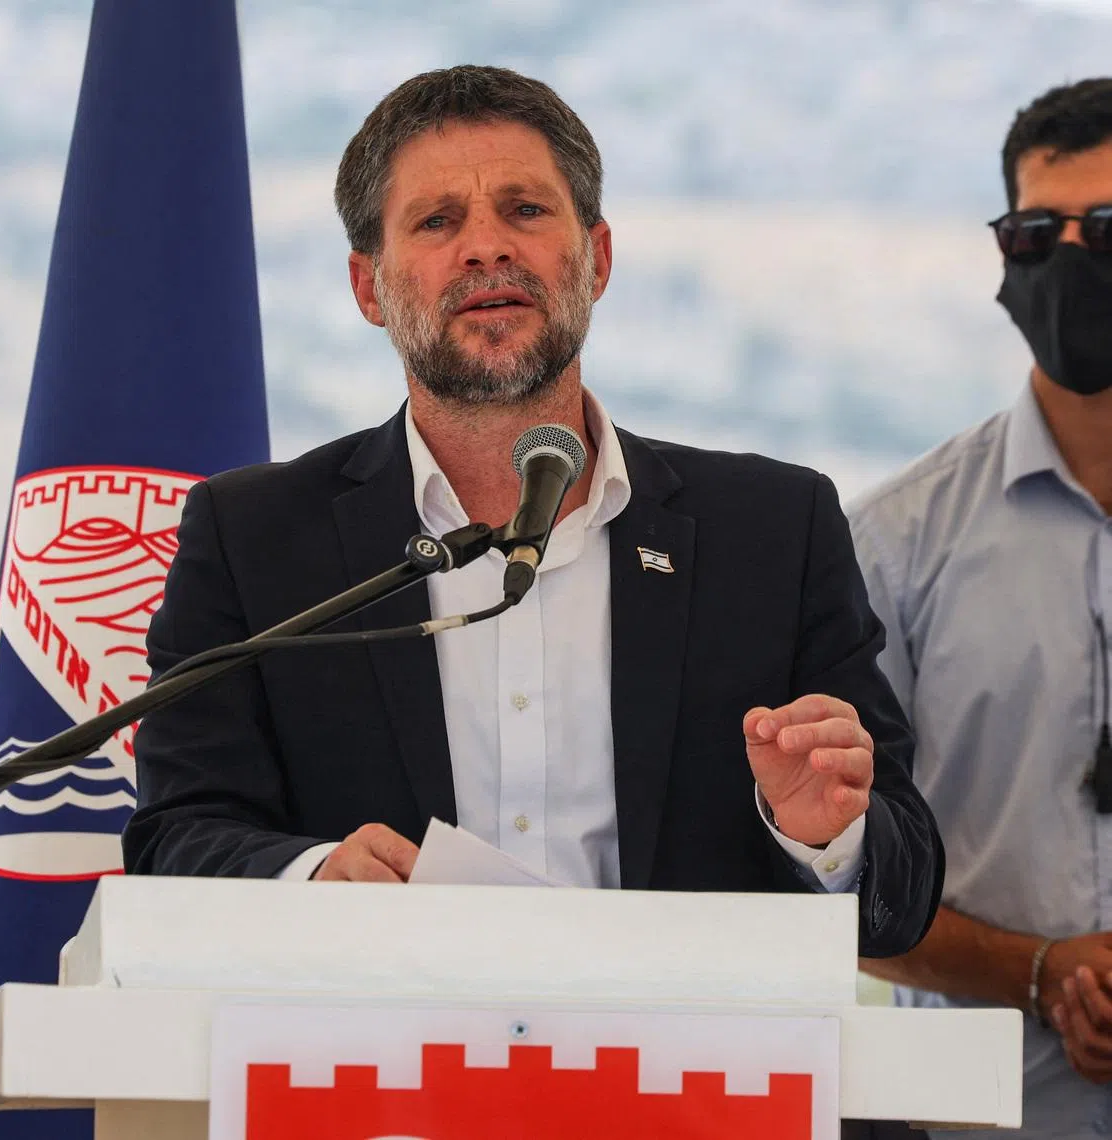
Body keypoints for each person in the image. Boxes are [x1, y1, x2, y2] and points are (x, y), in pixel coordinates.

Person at [124, 67, 939, 959]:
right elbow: (178, 836)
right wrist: (315, 879)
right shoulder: (253, 539)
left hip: (692, 1083)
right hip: (369, 1074)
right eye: (437, 222)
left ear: (598, 259)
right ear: (367, 287)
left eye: (524, 210)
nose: (485, 248)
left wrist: (825, 836)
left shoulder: (775, 531)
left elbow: (898, 905)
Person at [847, 78, 1112, 1139]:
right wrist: (1038, 972)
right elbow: (840, 890)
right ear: (1005, 255)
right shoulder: (892, 547)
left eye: (1110, 227)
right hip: (976, 1118)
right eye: (1040, 231)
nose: (1074, 260)